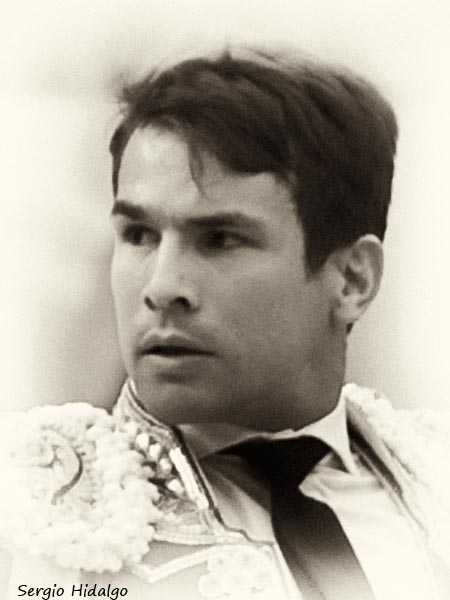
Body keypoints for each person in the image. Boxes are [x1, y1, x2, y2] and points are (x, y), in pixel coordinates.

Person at [1, 45, 449, 600]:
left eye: (220, 240)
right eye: (139, 235)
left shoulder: (436, 479)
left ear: (352, 280)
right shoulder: (21, 512)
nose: (161, 286)